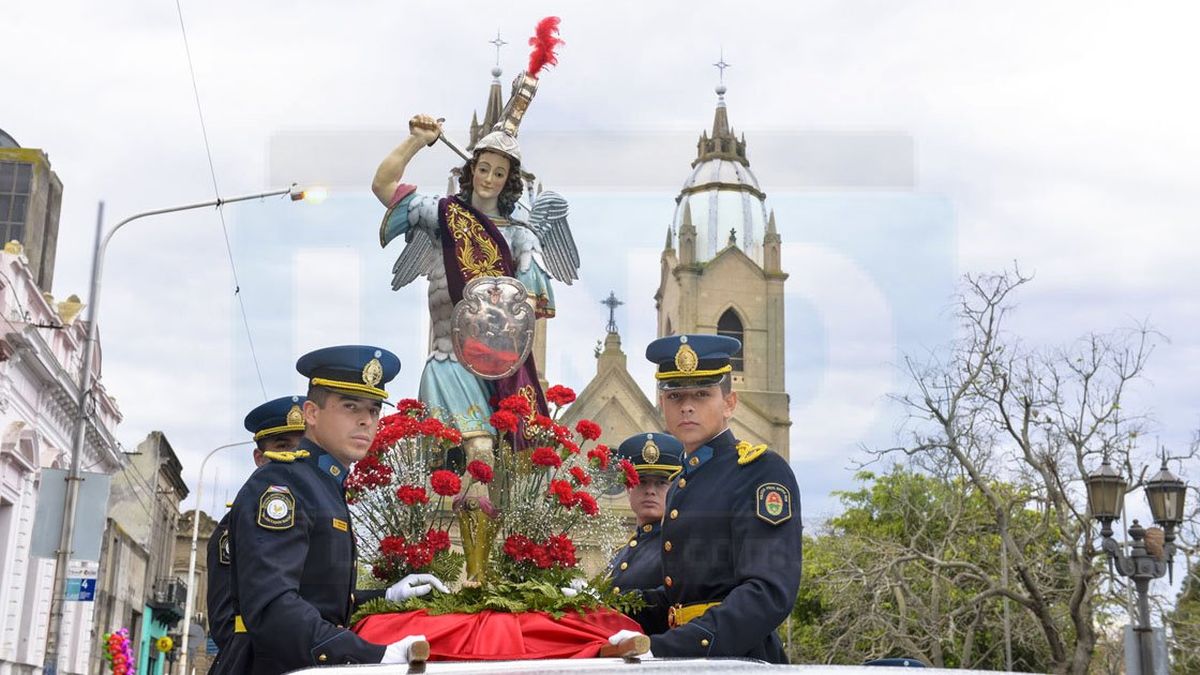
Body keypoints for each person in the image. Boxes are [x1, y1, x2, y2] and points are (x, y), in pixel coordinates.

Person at [213, 345, 449, 674]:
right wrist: (370, 654)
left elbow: (318, 596)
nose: (366, 420)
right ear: (311, 413)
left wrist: (387, 595)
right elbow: (272, 607)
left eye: (374, 409)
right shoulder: (281, 485)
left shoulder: (323, 485)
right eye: (350, 406)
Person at [370, 113, 577, 454]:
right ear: (472, 170)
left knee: (490, 459)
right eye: (484, 168)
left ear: (509, 180)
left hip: (498, 370)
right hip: (446, 359)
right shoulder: (442, 215)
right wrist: (417, 141)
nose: (489, 179)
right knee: (448, 463)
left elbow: (523, 314)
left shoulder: (520, 237)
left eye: (499, 173)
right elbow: (383, 187)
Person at [608, 334, 802, 663]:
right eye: (675, 395)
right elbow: (678, 599)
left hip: (739, 662)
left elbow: (767, 593)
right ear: (662, 405)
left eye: (702, 394)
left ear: (729, 403)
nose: (687, 405)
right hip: (691, 661)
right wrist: (596, 609)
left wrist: (669, 647)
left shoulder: (759, 471)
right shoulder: (685, 480)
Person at [207, 395, 307, 656]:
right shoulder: (234, 528)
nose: (293, 456)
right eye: (283, 446)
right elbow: (225, 626)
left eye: (301, 447)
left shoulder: (310, 518)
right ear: (259, 458)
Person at [607, 432, 683, 634]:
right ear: (628, 487)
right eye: (641, 481)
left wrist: (606, 608)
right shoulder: (623, 552)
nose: (650, 491)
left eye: (661, 483)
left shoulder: (681, 544)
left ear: (676, 487)